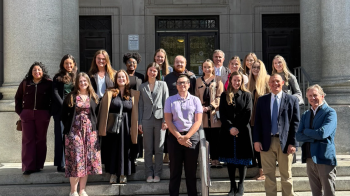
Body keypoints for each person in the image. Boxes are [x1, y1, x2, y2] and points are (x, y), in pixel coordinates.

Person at [253, 73, 300, 196]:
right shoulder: (262, 100)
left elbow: (295, 123)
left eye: (278, 81)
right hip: (266, 142)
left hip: (284, 143)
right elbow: (257, 122)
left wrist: (293, 143)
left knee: (286, 175)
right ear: (269, 84)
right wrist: (256, 140)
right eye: (272, 82)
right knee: (268, 175)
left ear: (283, 83)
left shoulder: (292, 99)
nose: (275, 84)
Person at [61, 73, 102, 196]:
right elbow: (63, 115)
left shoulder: (94, 97)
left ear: (88, 82)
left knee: (86, 160)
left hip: (90, 132)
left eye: (85, 81)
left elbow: (97, 115)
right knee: (75, 159)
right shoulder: (71, 97)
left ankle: (82, 189)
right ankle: (73, 191)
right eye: (80, 81)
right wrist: (70, 128)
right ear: (77, 83)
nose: (83, 83)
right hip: (74, 132)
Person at [98, 70, 140, 184]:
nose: (121, 79)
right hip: (113, 126)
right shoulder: (110, 93)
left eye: (123, 77)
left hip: (126, 126)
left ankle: (123, 173)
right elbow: (103, 111)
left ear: (127, 79)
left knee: (125, 149)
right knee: (113, 149)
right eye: (119, 77)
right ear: (116, 80)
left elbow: (135, 112)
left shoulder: (131, 94)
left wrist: (135, 126)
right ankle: (112, 173)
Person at [164, 74, 203, 196]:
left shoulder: (196, 100)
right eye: (180, 83)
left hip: (192, 139)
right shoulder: (170, 100)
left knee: (191, 172)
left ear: (189, 85)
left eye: (184, 82)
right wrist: (179, 137)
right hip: (175, 138)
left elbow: (198, 121)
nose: (182, 85)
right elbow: (168, 121)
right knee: (175, 171)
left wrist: (186, 137)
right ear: (176, 85)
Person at [296, 84, 337, 196]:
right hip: (309, 158)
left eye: (315, 95)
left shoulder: (330, 112)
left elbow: (322, 133)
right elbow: (298, 136)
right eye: (310, 96)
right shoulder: (306, 114)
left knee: (328, 192)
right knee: (315, 193)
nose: (312, 98)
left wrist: (306, 131)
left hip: (324, 157)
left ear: (322, 96)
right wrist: (314, 134)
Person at [219, 71, 253, 196]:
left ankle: (241, 185)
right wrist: (230, 127)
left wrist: (237, 127)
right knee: (231, 161)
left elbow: (248, 113)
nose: (237, 82)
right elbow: (222, 114)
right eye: (235, 80)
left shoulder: (247, 95)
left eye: (239, 80)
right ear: (230, 81)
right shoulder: (224, 95)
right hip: (228, 132)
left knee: (242, 160)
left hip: (242, 131)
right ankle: (232, 186)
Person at [15, 62, 52, 175]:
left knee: (41, 139)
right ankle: (28, 167)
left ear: (42, 71)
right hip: (27, 114)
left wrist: (48, 113)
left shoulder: (48, 83)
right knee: (27, 140)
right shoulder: (25, 83)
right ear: (31, 72)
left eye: (39, 70)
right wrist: (20, 113)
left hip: (42, 114)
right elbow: (18, 97)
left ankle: (39, 165)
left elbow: (53, 98)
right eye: (34, 70)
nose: (37, 72)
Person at [138, 62, 169, 183]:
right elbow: (140, 105)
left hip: (160, 119)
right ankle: (149, 173)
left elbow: (166, 103)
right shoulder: (142, 86)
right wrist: (140, 121)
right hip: (146, 119)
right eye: (150, 70)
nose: (152, 72)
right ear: (147, 71)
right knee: (148, 148)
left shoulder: (162, 84)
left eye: (155, 71)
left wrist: (166, 120)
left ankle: (158, 173)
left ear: (158, 73)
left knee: (159, 148)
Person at [195, 59, 224, 168]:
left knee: (215, 138)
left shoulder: (218, 79)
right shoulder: (198, 81)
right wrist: (200, 107)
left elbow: (220, 96)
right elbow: (196, 96)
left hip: (213, 113)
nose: (207, 69)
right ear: (202, 68)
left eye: (209, 67)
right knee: (204, 137)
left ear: (213, 68)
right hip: (202, 114)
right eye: (205, 67)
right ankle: (205, 159)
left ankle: (216, 158)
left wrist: (211, 106)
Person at [52, 54, 77, 173]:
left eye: (71, 63)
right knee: (60, 137)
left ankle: (71, 161)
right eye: (66, 63)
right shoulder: (57, 77)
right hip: (60, 111)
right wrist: (64, 106)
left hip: (74, 111)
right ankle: (60, 164)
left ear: (74, 64)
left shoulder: (77, 77)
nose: (69, 65)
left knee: (72, 138)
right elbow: (55, 92)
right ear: (63, 64)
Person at [247, 59, 270, 180]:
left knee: (263, 145)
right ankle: (260, 171)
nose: (255, 69)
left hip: (263, 119)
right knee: (255, 145)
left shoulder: (267, 80)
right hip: (252, 119)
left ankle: (264, 172)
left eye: (258, 67)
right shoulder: (249, 82)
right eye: (253, 67)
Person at [123, 52, 144, 160]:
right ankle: (126, 155)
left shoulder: (141, 76)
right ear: (126, 63)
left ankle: (136, 155)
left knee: (137, 132)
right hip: (125, 107)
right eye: (129, 62)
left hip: (137, 107)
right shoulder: (122, 75)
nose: (131, 64)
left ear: (137, 64)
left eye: (134, 62)